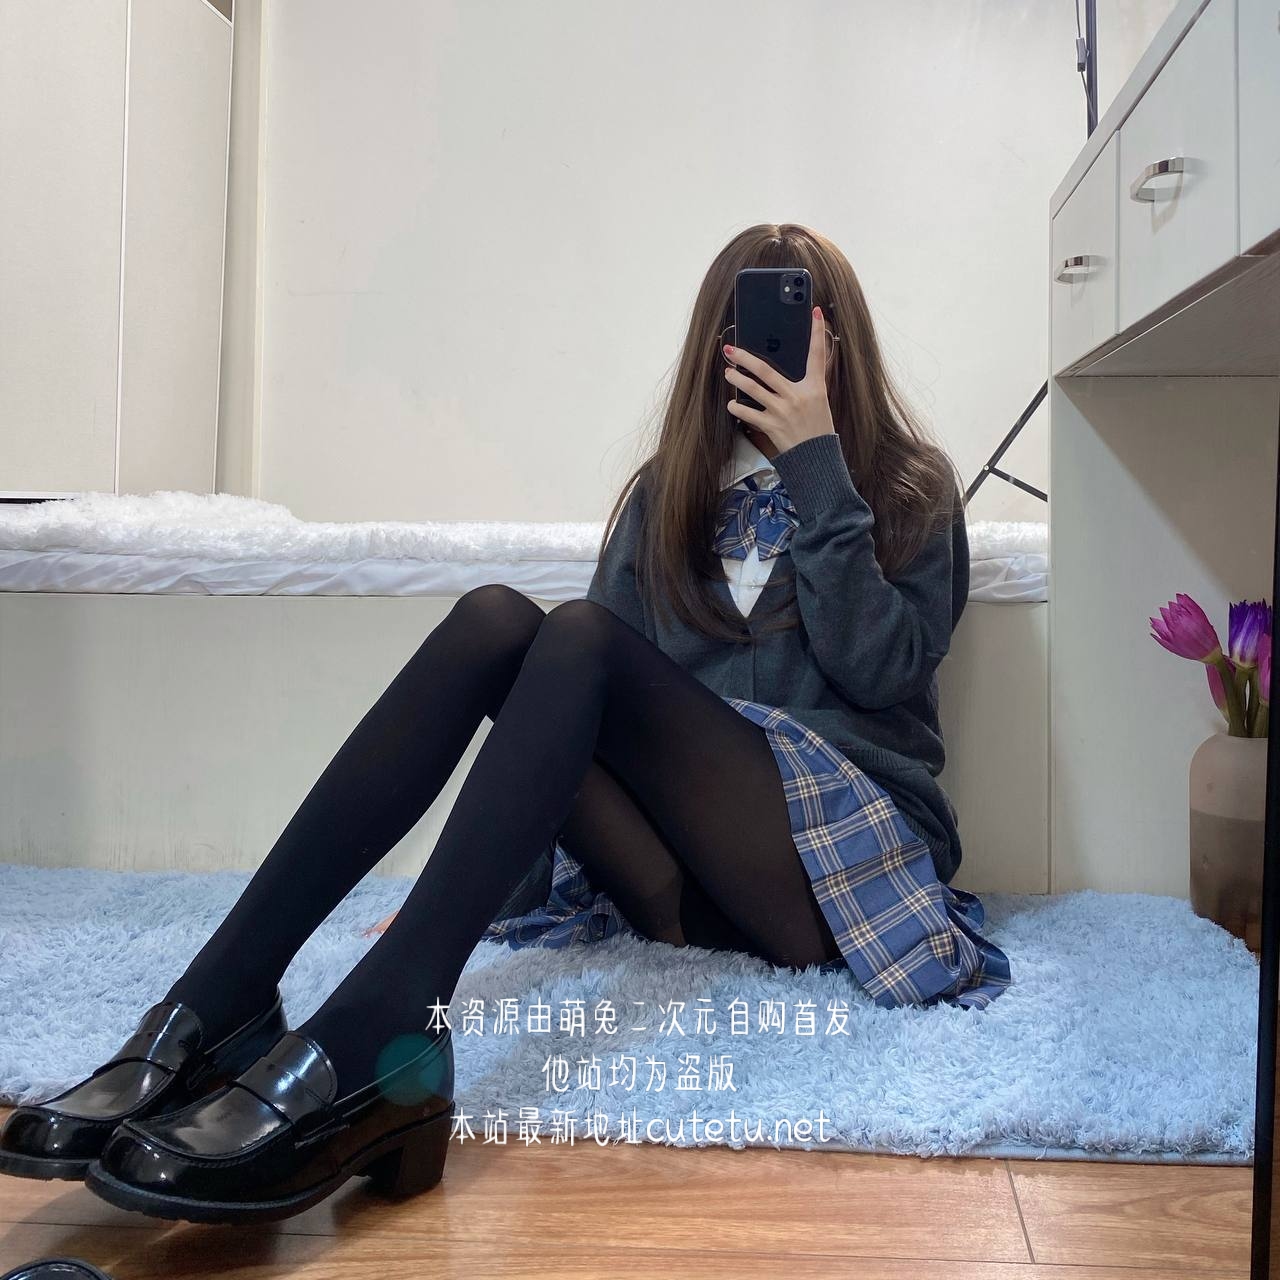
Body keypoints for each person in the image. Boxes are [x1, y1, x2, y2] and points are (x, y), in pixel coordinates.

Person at [0, 222, 1010, 1224]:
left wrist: (819, 470)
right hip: (678, 890)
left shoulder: (906, 490)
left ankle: (384, 1022)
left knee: (579, 635)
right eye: (747, 330)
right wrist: (480, 896)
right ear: (716, 345)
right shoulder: (666, 497)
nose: (772, 352)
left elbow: (879, 670)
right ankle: (220, 998)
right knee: (497, 620)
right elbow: (567, 722)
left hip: (831, 877)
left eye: (798, 330)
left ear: (836, 345)